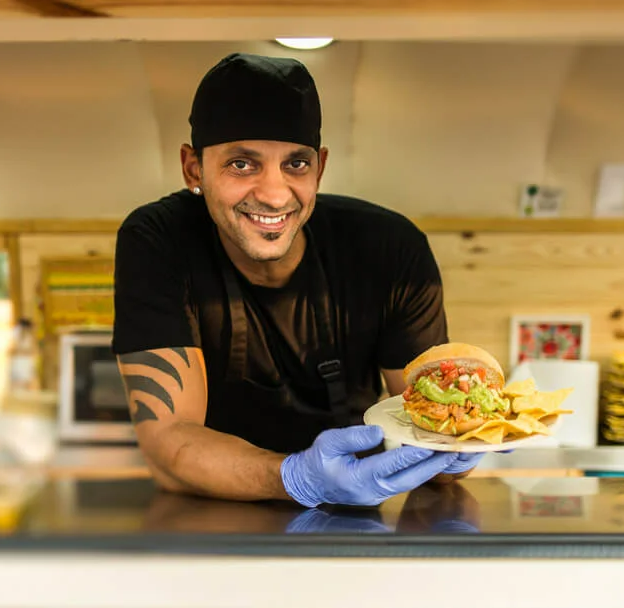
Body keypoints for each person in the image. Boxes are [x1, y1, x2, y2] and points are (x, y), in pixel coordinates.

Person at [112, 52, 484, 507]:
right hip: (207, 526)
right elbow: (168, 443)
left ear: (320, 167)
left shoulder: (389, 249)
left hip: (354, 523)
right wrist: (296, 477)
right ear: (194, 168)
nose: (273, 194)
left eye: (296, 164)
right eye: (242, 164)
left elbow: (430, 425)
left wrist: (461, 443)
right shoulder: (157, 241)